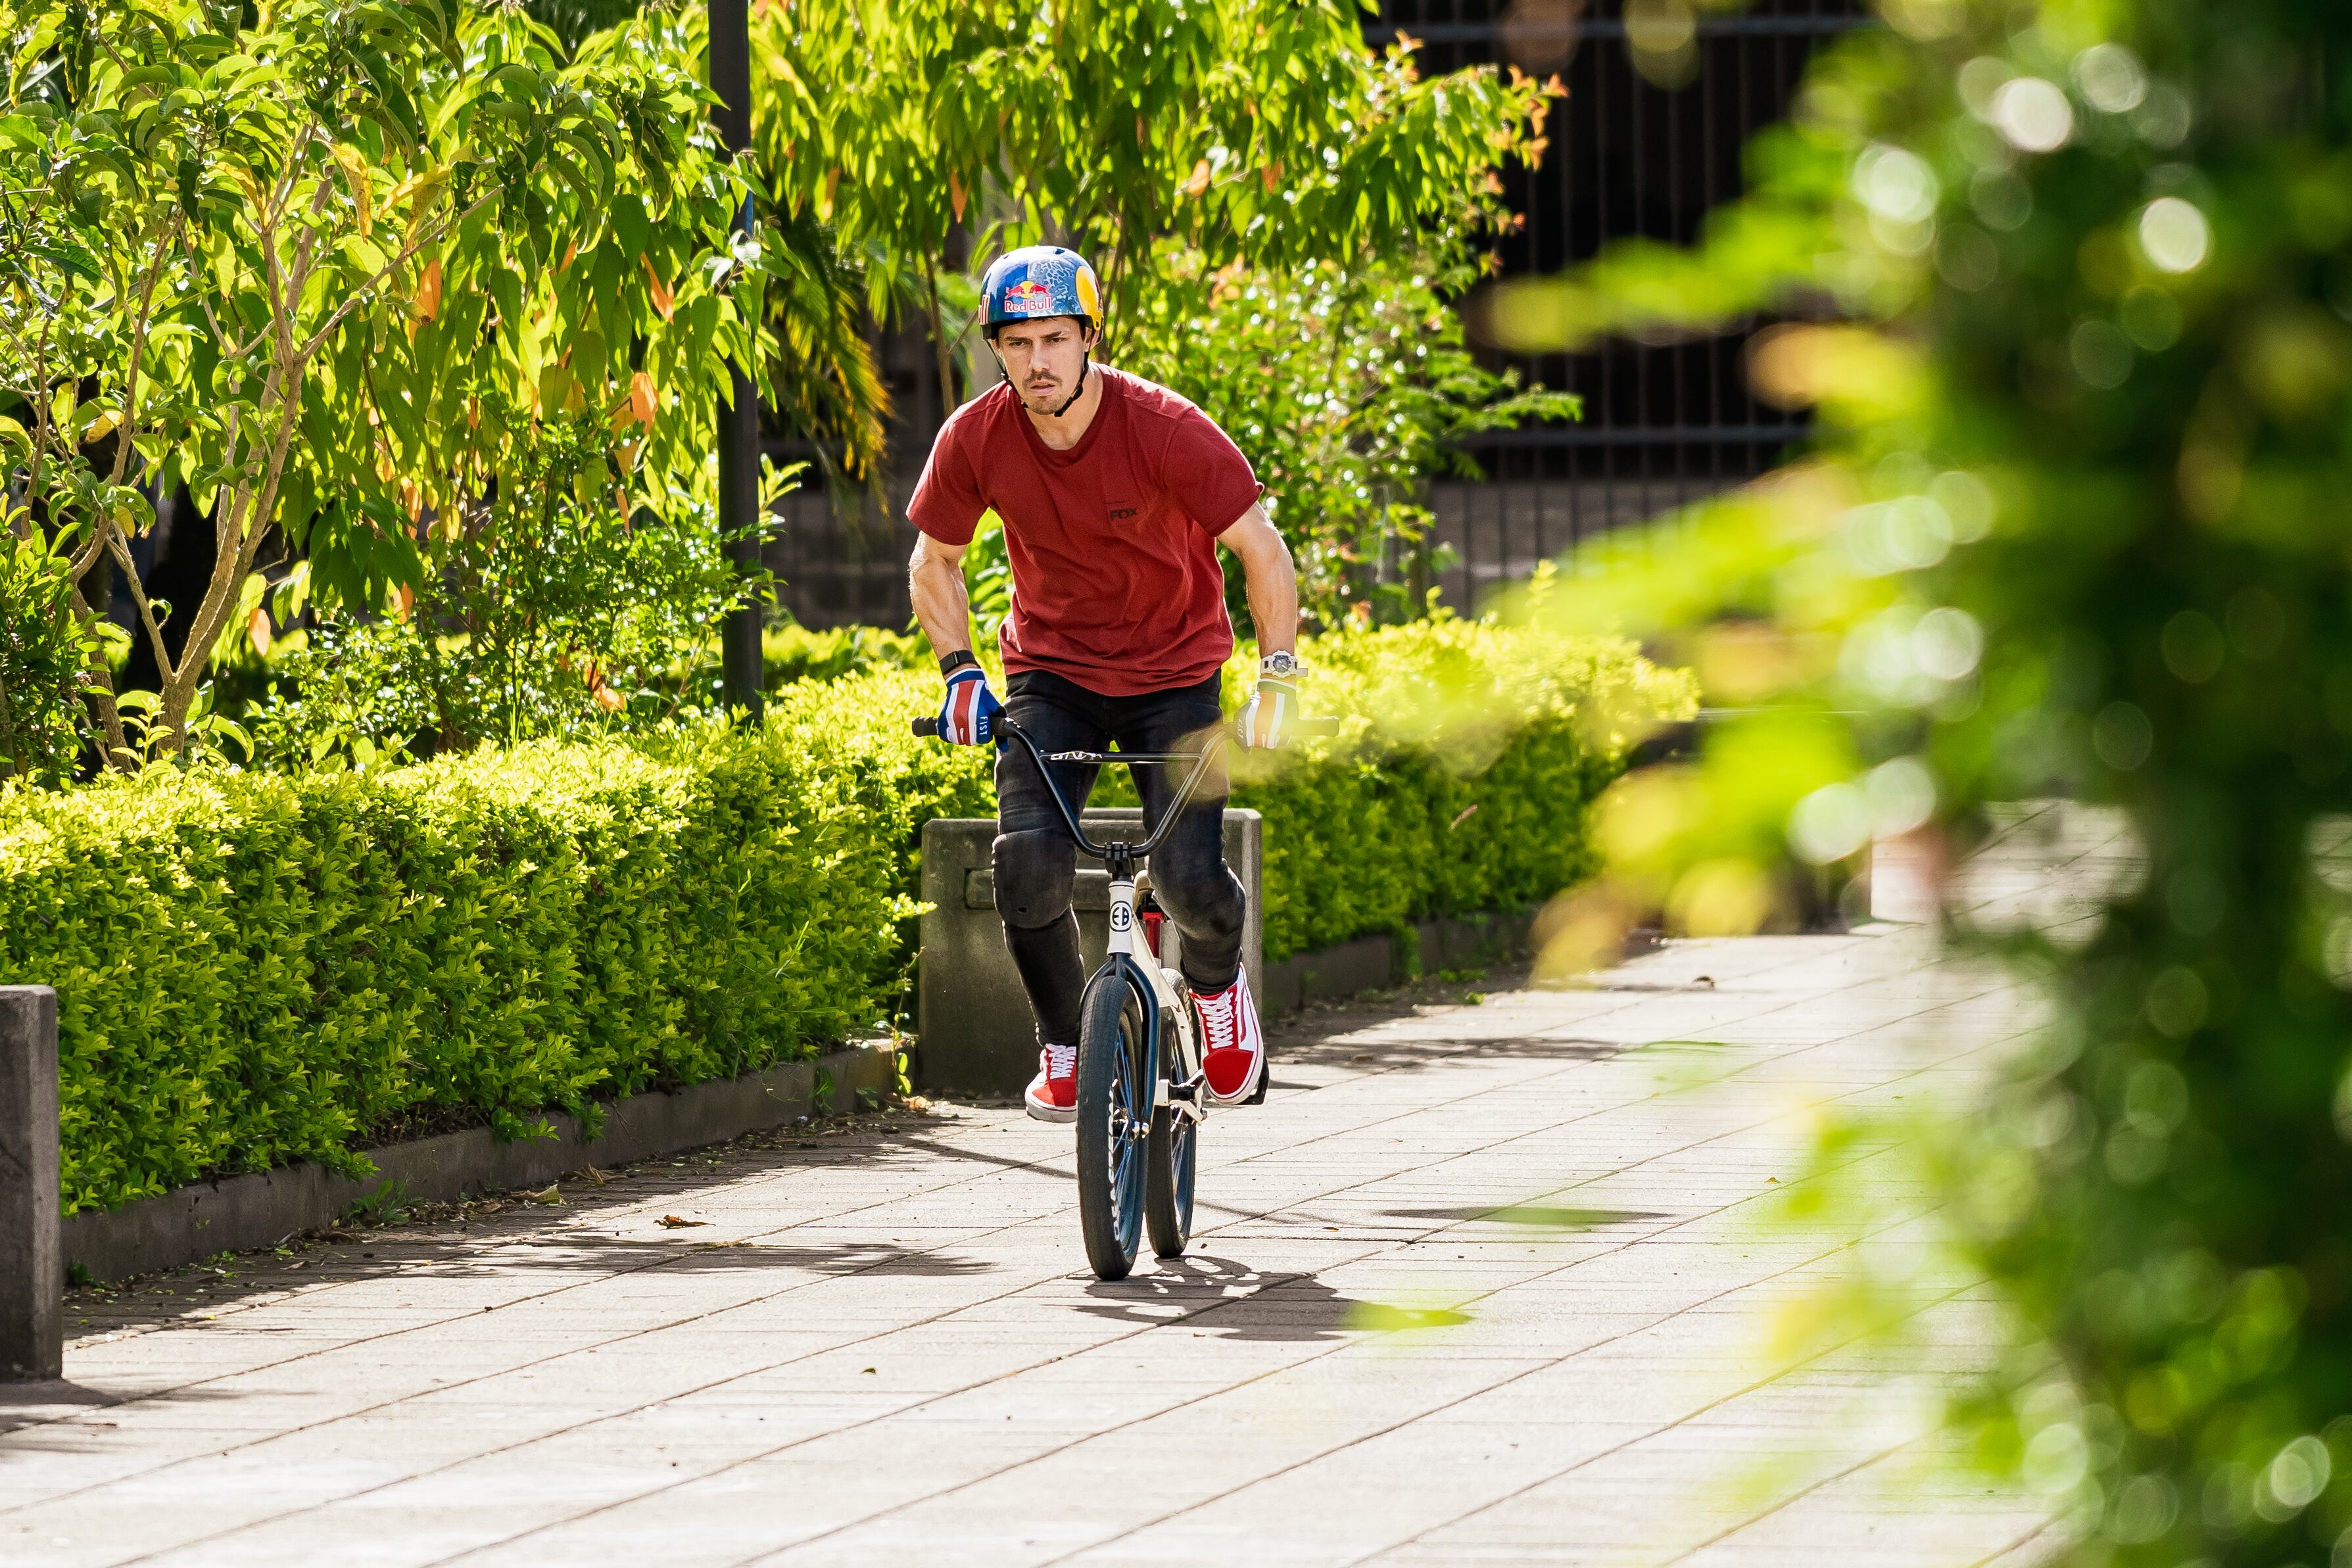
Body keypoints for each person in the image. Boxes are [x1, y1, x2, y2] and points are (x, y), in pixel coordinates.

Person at [906, 244, 1307, 1124]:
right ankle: (1066, 1040)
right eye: (1017, 343)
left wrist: (1277, 674)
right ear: (997, 347)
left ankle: (1213, 991)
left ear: (1089, 336)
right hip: (1054, 675)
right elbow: (934, 560)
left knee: (1191, 876)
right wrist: (960, 671)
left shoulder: (1162, 426)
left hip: (1175, 674)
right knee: (1027, 870)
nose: (1037, 361)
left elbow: (1260, 549)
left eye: (1055, 338)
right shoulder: (976, 436)